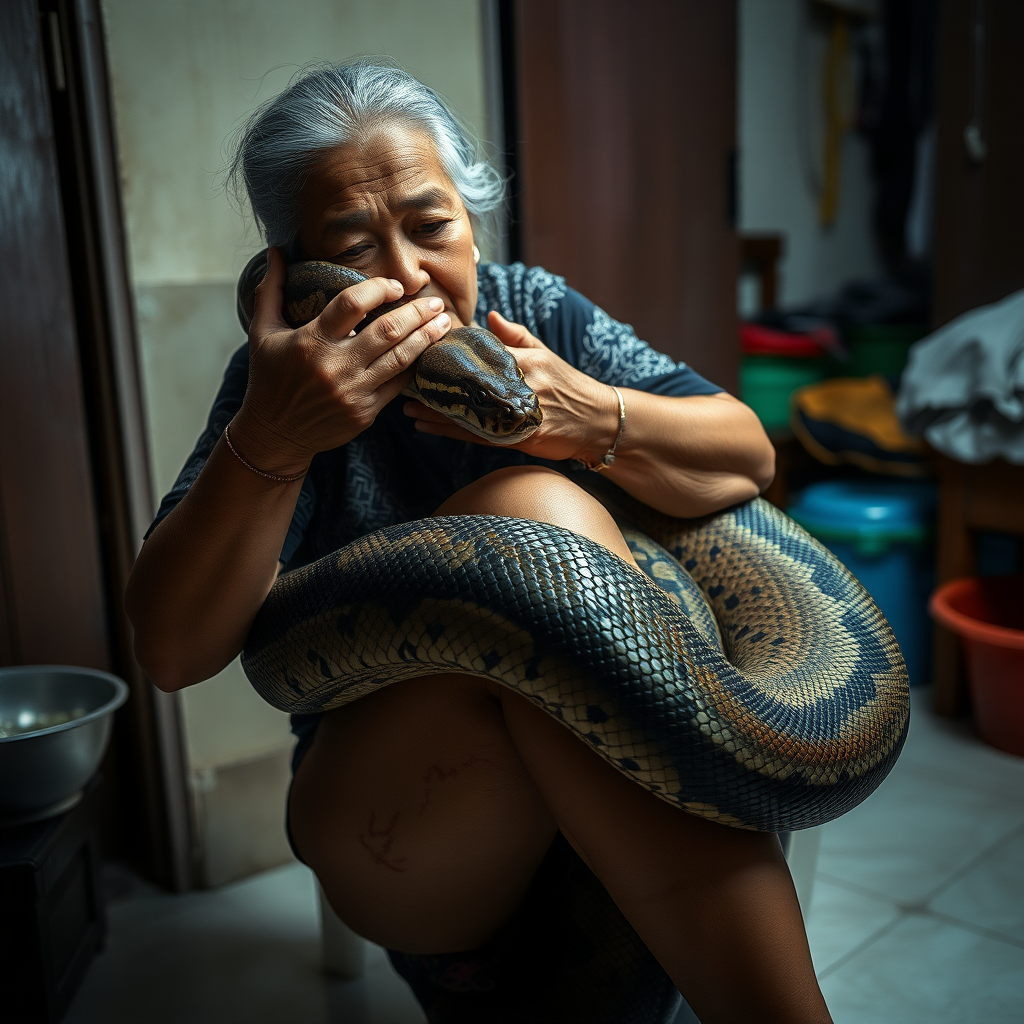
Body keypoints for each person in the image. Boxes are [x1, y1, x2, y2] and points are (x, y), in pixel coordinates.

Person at [125, 60, 832, 1024]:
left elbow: (746, 458)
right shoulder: (286, 378)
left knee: (579, 563)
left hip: (615, 784)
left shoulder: (530, 310)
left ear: (471, 215)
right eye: (355, 244)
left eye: (430, 225)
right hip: (410, 817)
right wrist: (276, 438)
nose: (411, 274)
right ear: (298, 270)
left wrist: (589, 414)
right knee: (533, 516)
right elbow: (170, 651)